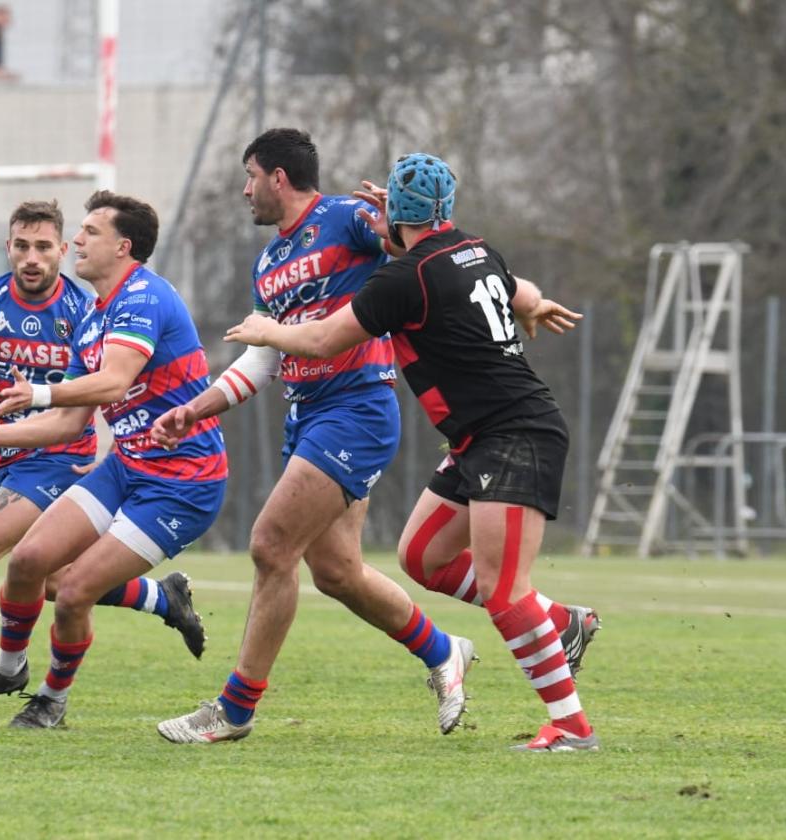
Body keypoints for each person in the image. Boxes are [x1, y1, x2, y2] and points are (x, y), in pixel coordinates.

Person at [224, 152, 599, 752]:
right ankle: (557, 620)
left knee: (504, 589)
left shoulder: (406, 278)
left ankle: (571, 727)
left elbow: (321, 339)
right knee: (423, 556)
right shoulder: (475, 249)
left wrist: (267, 331)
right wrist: (532, 302)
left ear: (394, 210)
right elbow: (514, 288)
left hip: (514, 432)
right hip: (480, 438)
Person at [154, 128, 476, 746]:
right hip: (308, 416)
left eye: (250, 176)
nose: (244, 190)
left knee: (270, 545)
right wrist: (197, 409)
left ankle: (235, 709)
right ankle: (444, 651)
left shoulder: (345, 218)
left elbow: (413, 251)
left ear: (278, 177)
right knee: (336, 572)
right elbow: (264, 357)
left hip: (355, 409)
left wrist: (393, 225)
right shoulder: (268, 263)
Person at [0, 200, 207, 717]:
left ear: (59, 250)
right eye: (21, 246)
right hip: (12, 456)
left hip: (64, 461)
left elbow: (105, 392)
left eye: (44, 246)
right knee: (52, 580)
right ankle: (160, 598)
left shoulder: (94, 308)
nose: (32, 257)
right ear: (8, 247)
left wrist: (51, 405)